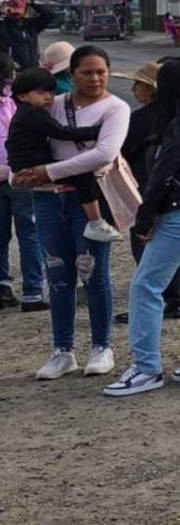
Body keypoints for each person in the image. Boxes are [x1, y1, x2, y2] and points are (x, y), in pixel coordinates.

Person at [105, 58, 180, 396]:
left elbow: (163, 174)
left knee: (146, 286)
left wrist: (145, 216)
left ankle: (146, 368)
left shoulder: (178, 125)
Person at [12, 45, 131, 380]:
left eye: (101, 71)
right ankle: (62, 351)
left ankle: (101, 346)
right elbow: (23, 140)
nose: (94, 78)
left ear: (109, 72)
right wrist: (17, 174)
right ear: (72, 74)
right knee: (58, 275)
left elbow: (104, 154)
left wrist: (49, 172)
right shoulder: (53, 103)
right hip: (47, 199)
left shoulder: (116, 108)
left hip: (89, 198)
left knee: (94, 274)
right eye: (86, 72)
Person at [7, 68, 120, 244]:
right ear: (22, 96)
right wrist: (98, 131)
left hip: (26, 163)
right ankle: (95, 223)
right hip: (33, 166)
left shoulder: (25, 112)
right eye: (41, 92)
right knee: (84, 176)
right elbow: (61, 132)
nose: (48, 97)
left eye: (51, 92)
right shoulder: (33, 113)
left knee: (74, 176)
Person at [117, 61, 180, 323]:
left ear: (151, 90)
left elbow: (123, 152)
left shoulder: (141, 118)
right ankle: (175, 298)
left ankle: (154, 303)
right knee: (172, 248)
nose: (134, 90)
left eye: (138, 85)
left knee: (144, 247)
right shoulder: (179, 116)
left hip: (143, 189)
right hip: (174, 193)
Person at [0, 55, 47, 312]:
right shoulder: (15, 104)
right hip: (19, 175)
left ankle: (3, 288)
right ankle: (32, 292)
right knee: (29, 233)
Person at [0, 0, 56, 71]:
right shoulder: (2, 26)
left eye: (18, 11)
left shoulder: (32, 25)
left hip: (33, 70)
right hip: (12, 72)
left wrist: (32, 3)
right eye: (13, 10)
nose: (15, 14)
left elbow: (50, 15)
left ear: (25, 11)